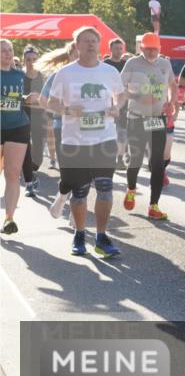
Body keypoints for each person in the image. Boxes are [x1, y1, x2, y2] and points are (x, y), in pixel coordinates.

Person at [46, 27, 125, 256]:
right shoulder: (66, 73)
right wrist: (69, 110)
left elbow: (120, 94)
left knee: (105, 189)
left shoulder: (109, 71)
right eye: (85, 41)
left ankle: (101, 237)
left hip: (104, 138)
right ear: (77, 45)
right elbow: (51, 103)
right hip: (75, 141)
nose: (90, 44)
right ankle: (79, 234)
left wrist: (117, 107)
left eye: (94, 41)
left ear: (99, 45)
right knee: (80, 192)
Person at [120, 33, 176, 220]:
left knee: (158, 163)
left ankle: (154, 205)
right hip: (136, 117)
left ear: (160, 48)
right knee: (136, 159)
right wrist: (137, 97)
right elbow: (119, 90)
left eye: (155, 48)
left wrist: (172, 101)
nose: (152, 52)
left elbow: (172, 85)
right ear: (141, 48)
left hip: (157, 118)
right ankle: (131, 189)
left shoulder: (165, 63)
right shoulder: (132, 64)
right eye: (148, 48)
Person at [1, 40, 41, 235]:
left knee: (13, 172)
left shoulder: (19, 75)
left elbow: (20, 97)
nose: (8, 54)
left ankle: (9, 218)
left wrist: (27, 98)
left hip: (18, 125)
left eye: (10, 50)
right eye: (3, 51)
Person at [37, 42, 78, 214]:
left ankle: (76, 211)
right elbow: (42, 100)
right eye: (78, 52)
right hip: (62, 127)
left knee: (84, 173)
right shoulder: (59, 75)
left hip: (87, 130)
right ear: (70, 54)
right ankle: (62, 198)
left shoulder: (94, 75)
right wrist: (64, 110)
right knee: (68, 171)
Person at [20, 46, 46, 197]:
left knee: (39, 152)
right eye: (28, 59)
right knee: (25, 146)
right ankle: (29, 182)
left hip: (39, 114)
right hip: (22, 114)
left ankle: (32, 170)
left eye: (34, 59)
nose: (31, 62)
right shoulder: (19, 75)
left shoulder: (43, 76)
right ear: (24, 60)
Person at [104, 38, 129, 169]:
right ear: (111, 49)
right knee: (107, 131)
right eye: (116, 48)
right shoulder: (104, 65)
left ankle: (119, 159)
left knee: (122, 132)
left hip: (122, 103)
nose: (119, 51)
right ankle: (106, 158)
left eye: (121, 48)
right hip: (106, 103)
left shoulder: (127, 64)